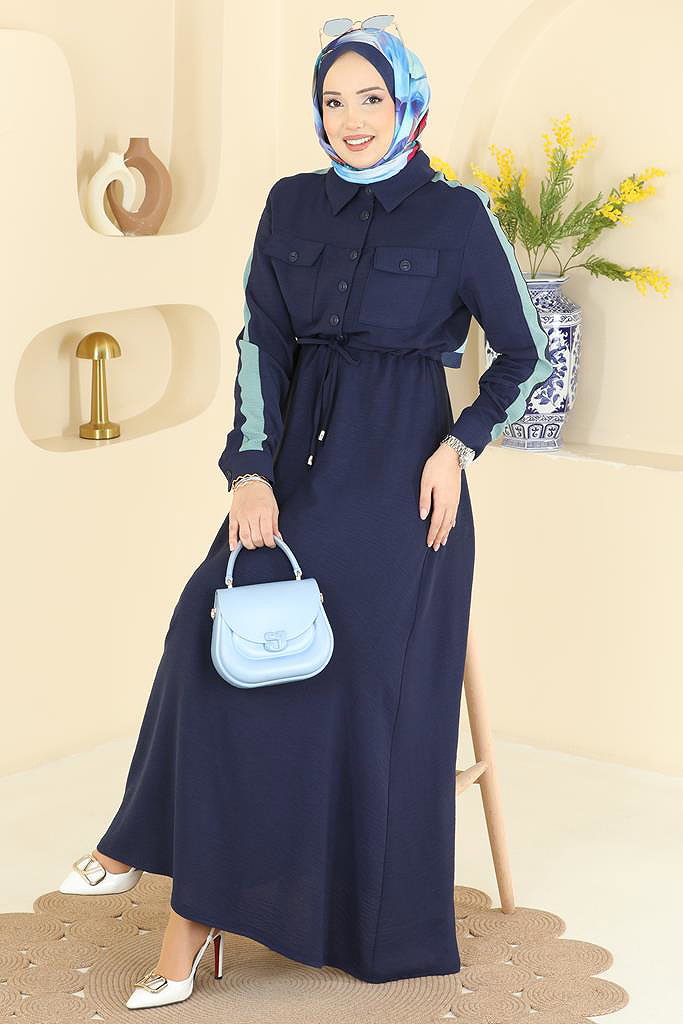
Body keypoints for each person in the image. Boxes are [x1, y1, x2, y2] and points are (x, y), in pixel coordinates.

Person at [57, 23, 553, 1009]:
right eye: (333, 101)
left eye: (370, 99)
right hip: (287, 479)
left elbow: (523, 352)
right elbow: (260, 344)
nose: (350, 119)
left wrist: (458, 447)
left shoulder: (456, 215)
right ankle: (140, 853)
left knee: (323, 670)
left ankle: (188, 923)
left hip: (401, 490)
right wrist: (248, 473)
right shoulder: (290, 202)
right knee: (206, 630)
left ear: (405, 104)